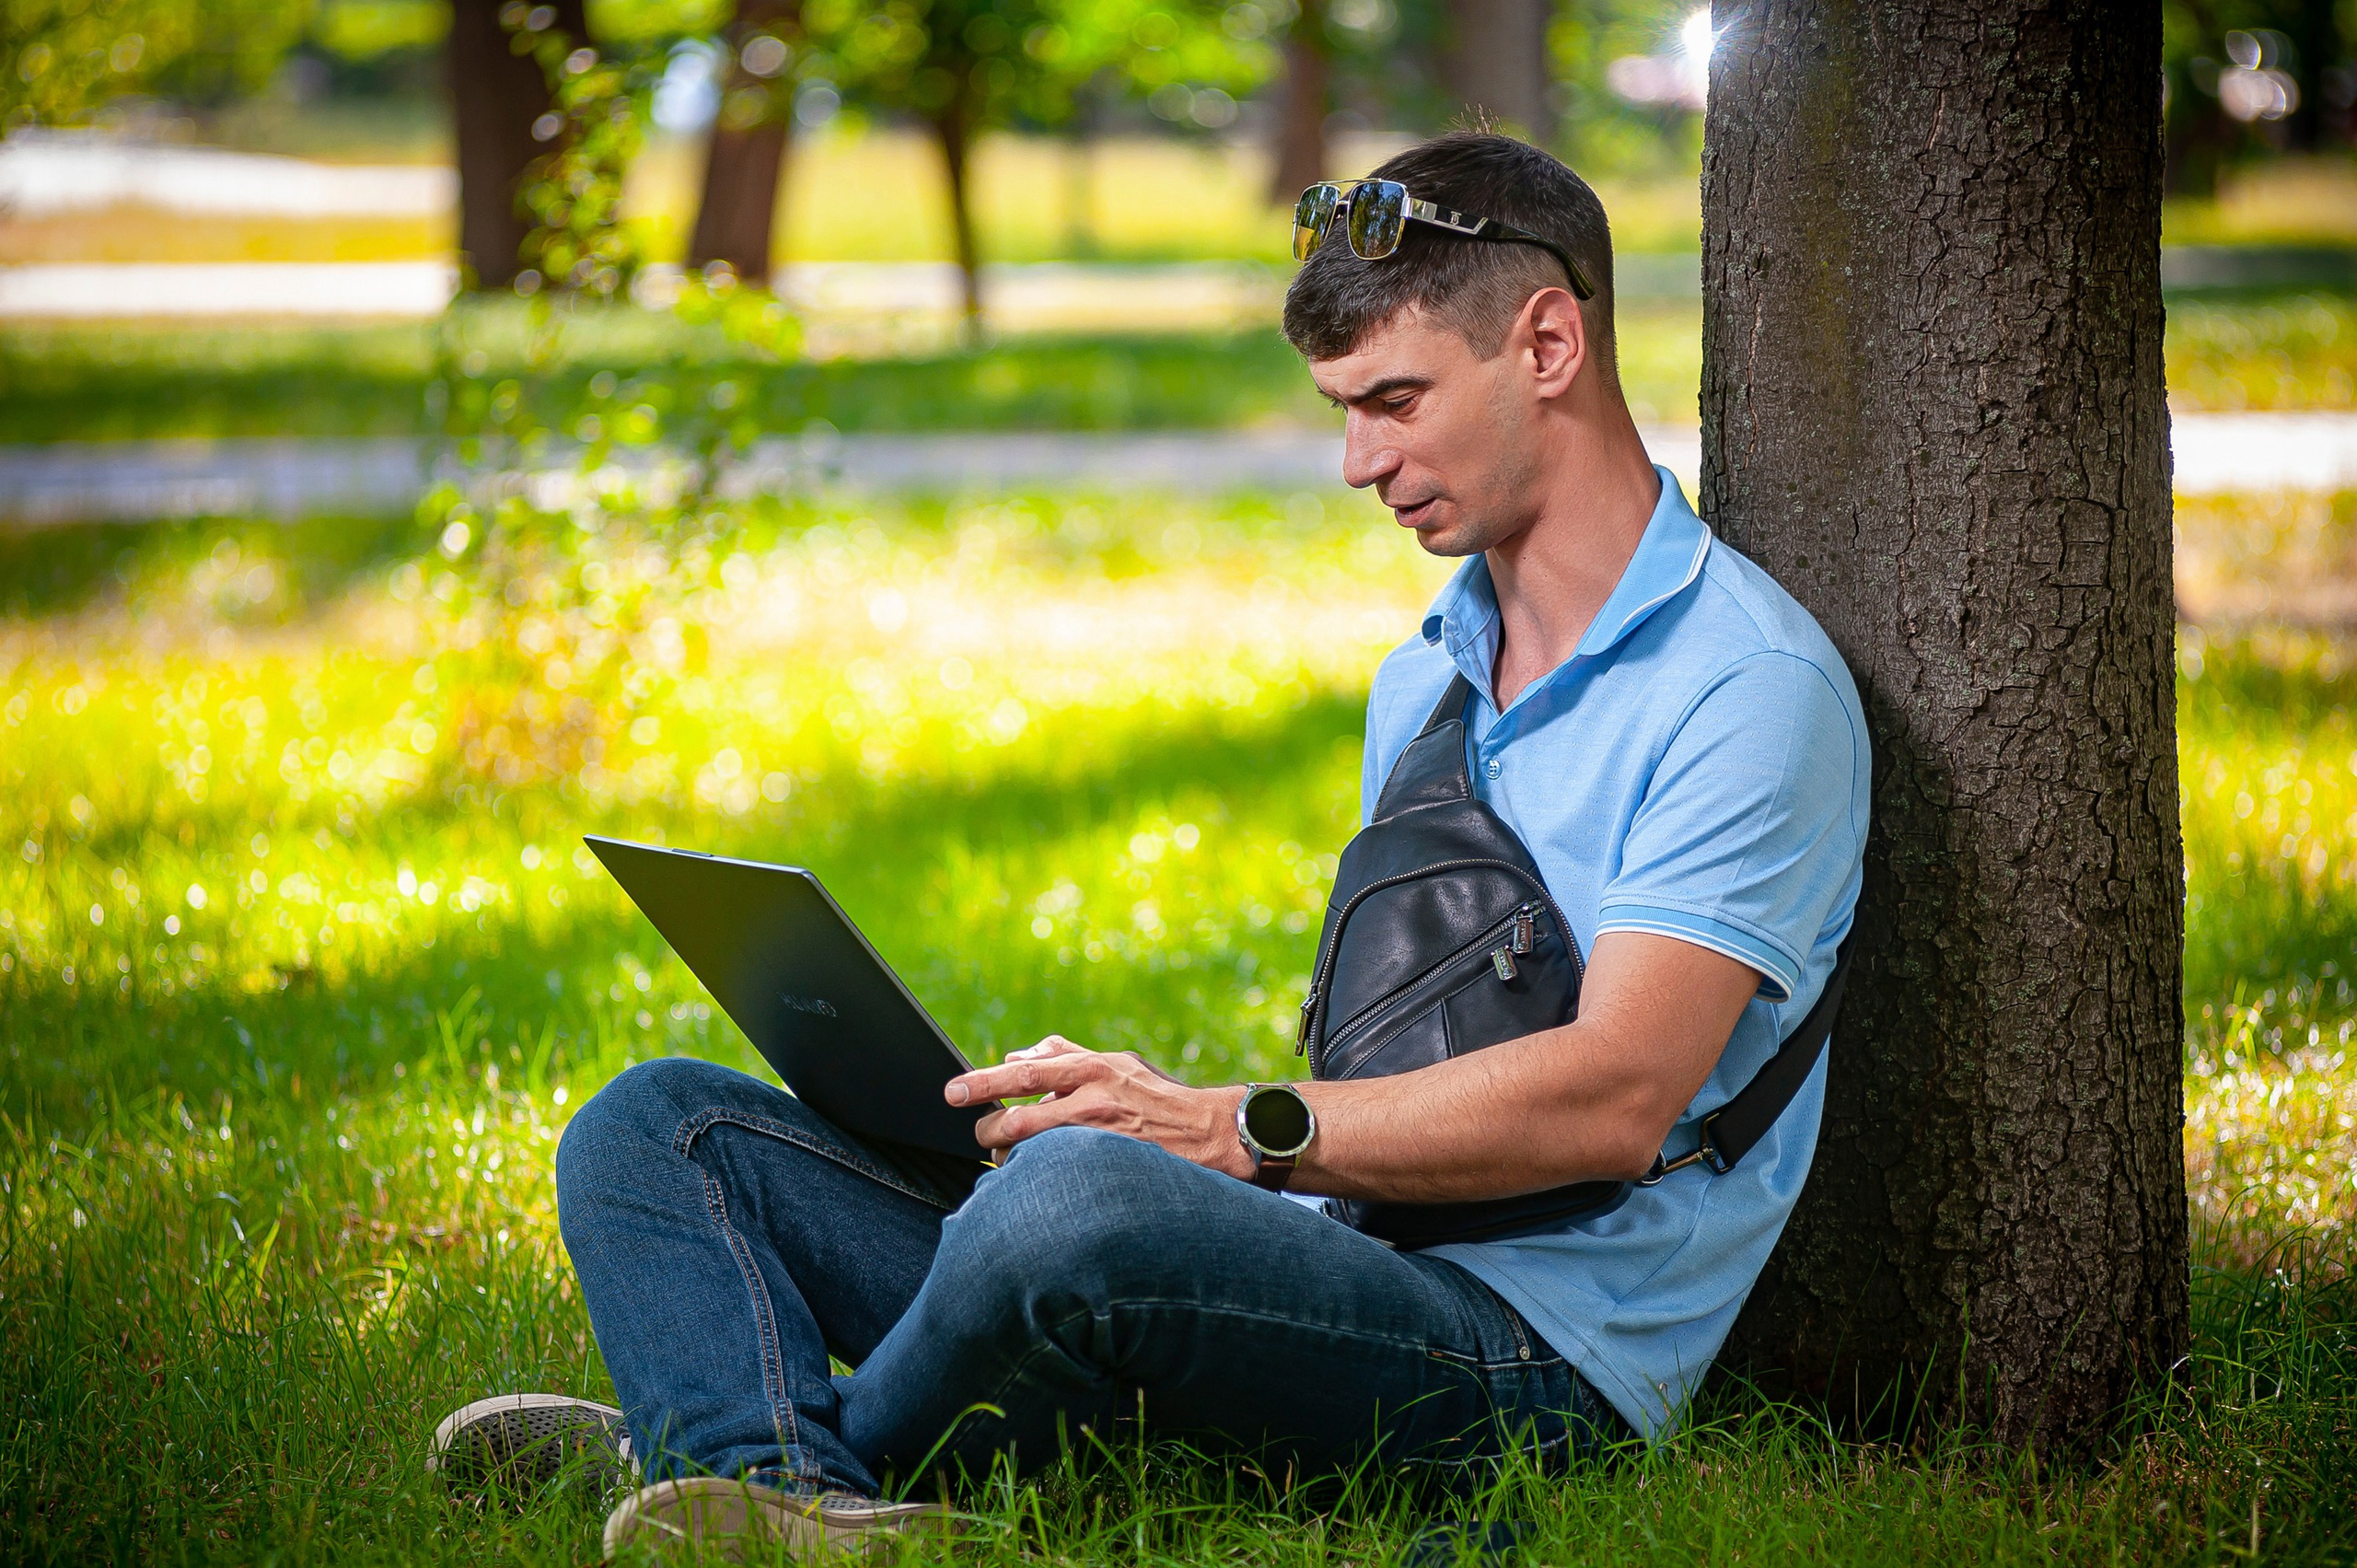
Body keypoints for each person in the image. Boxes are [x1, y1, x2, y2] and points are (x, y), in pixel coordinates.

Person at [428, 131, 1869, 1557]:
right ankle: (784, 1487)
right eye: (1340, 408)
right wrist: (1151, 1123)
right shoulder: (1428, 670)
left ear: (1549, 343)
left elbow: (1616, 1098)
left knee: (1073, 1207)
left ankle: (742, 1449)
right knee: (663, 1126)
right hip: (1344, 1260)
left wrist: (1222, 1129)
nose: (1359, 461)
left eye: (1396, 401)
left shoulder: (1746, 689)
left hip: (1533, 1359)